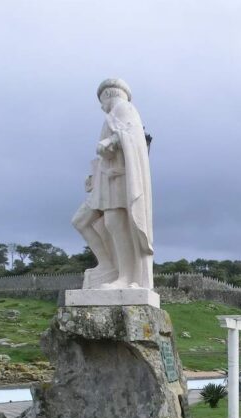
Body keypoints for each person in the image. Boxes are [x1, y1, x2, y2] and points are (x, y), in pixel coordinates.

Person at [71, 78, 154, 290]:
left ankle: (125, 277)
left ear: (108, 95)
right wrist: (94, 175)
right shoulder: (113, 115)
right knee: (81, 221)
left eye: (101, 101)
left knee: (114, 223)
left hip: (118, 179)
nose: (101, 107)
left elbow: (133, 136)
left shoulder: (124, 108)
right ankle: (107, 266)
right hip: (104, 181)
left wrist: (109, 142)